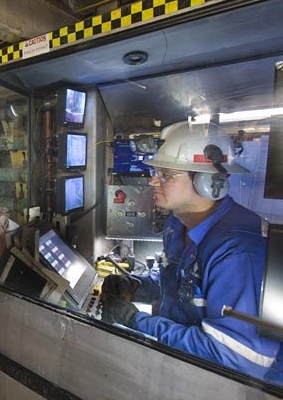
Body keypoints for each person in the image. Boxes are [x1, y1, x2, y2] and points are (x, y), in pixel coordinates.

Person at [101, 121, 281, 380]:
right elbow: (185, 286)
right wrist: (139, 285)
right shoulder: (178, 223)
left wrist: (135, 321)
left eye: (166, 174)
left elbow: (237, 357)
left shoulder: (237, 252)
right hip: (185, 369)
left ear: (208, 181)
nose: (153, 181)